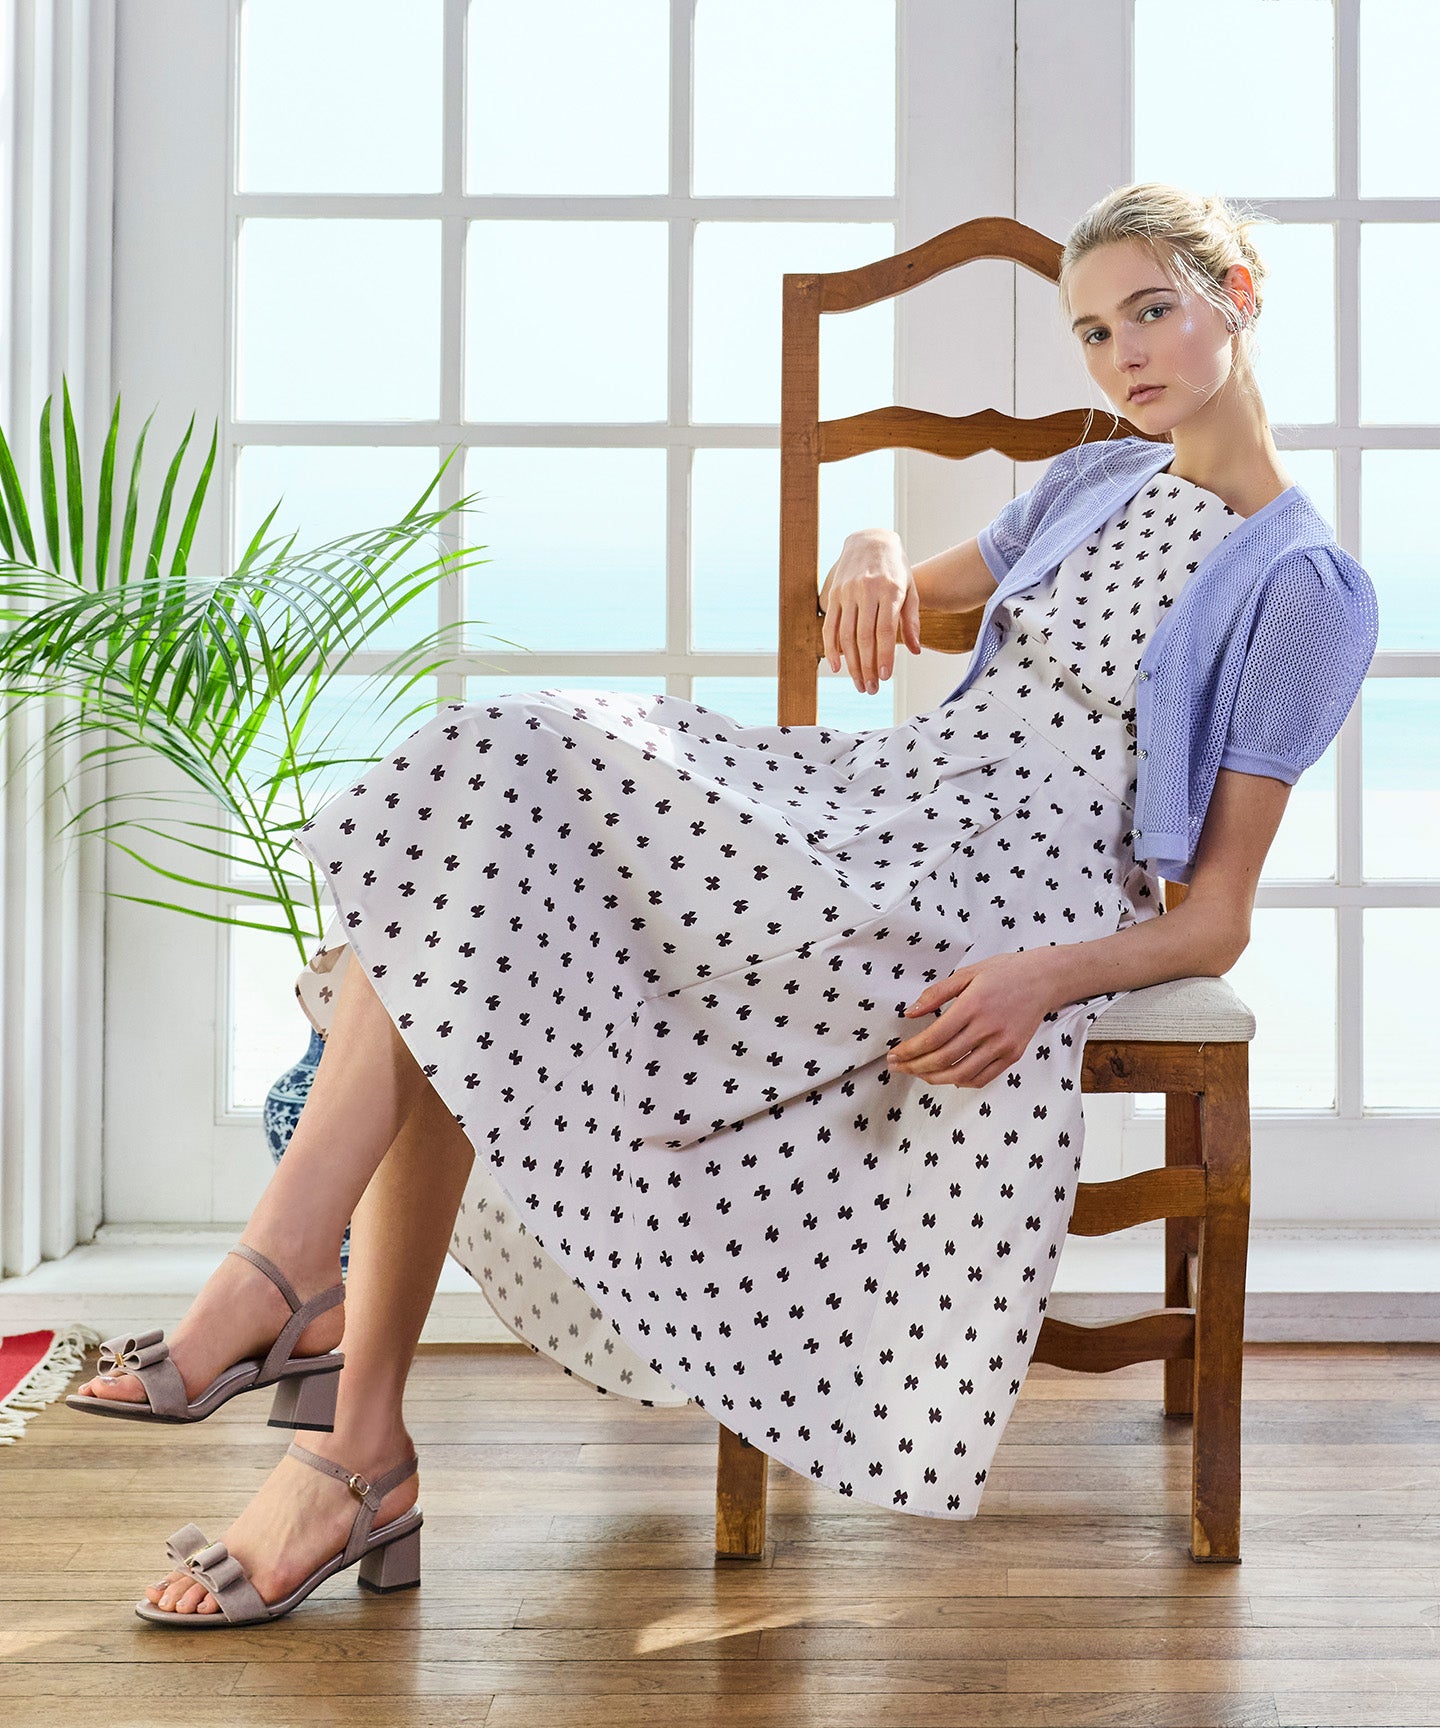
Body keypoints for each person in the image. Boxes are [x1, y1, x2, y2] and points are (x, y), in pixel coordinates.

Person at [68, 181, 1378, 1623]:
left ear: (1237, 296)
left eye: (1151, 312)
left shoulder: (1306, 583)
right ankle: (320, 1356)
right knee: (489, 792)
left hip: (1003, 888)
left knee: (481, 871)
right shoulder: (1096, 482)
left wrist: (1040, 979)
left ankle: (310, 1358)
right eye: (1090, 332)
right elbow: (903, 601)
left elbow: (1215, 918)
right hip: (888, 798)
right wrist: (871, 547)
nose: (1122, 355)